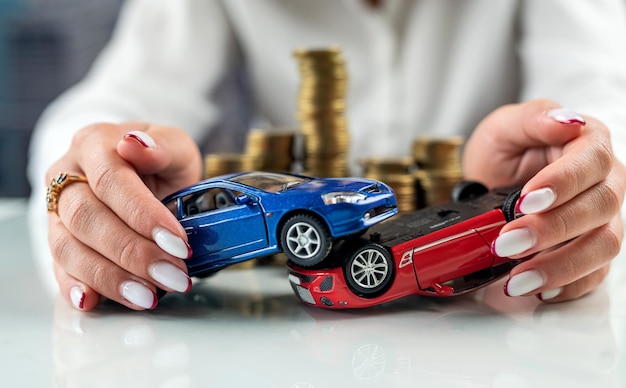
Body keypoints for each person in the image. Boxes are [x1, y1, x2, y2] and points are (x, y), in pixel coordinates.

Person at [27, 0, 626, 311]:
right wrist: (86, 175)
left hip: (475, 231)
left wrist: (584, 173)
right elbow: (114, 100)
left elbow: (605, 92)